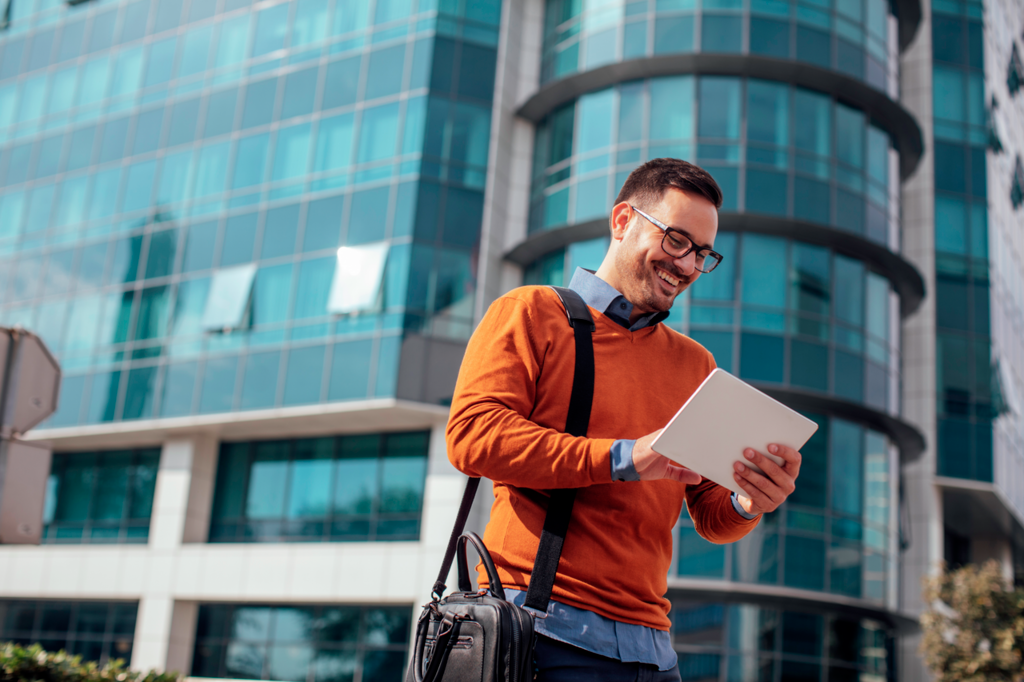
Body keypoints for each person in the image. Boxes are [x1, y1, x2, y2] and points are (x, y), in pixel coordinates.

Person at [446, 158, 802, 682]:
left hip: (652, 651)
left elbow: (708, 514)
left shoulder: (694, 364)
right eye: (677, 240)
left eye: (702, 254)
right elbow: (473, 437)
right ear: (622, 221)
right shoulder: (530, 312)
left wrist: (748, 500)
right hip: (543, 631)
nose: (686, 266)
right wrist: (626, 456)